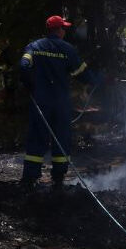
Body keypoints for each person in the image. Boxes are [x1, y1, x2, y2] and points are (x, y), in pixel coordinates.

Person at [19, 15, 91, 188]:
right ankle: (58, 178)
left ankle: (29, 179)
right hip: (60, 104)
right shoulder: (67, 49)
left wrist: (29, 85)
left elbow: (23, 65)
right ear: (58, 30)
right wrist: (101, 80)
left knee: (37, 138)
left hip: (40, 102)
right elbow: (82, 73)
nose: (64, 31)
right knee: (62, 138)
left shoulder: (34, 46)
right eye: (63, 28)